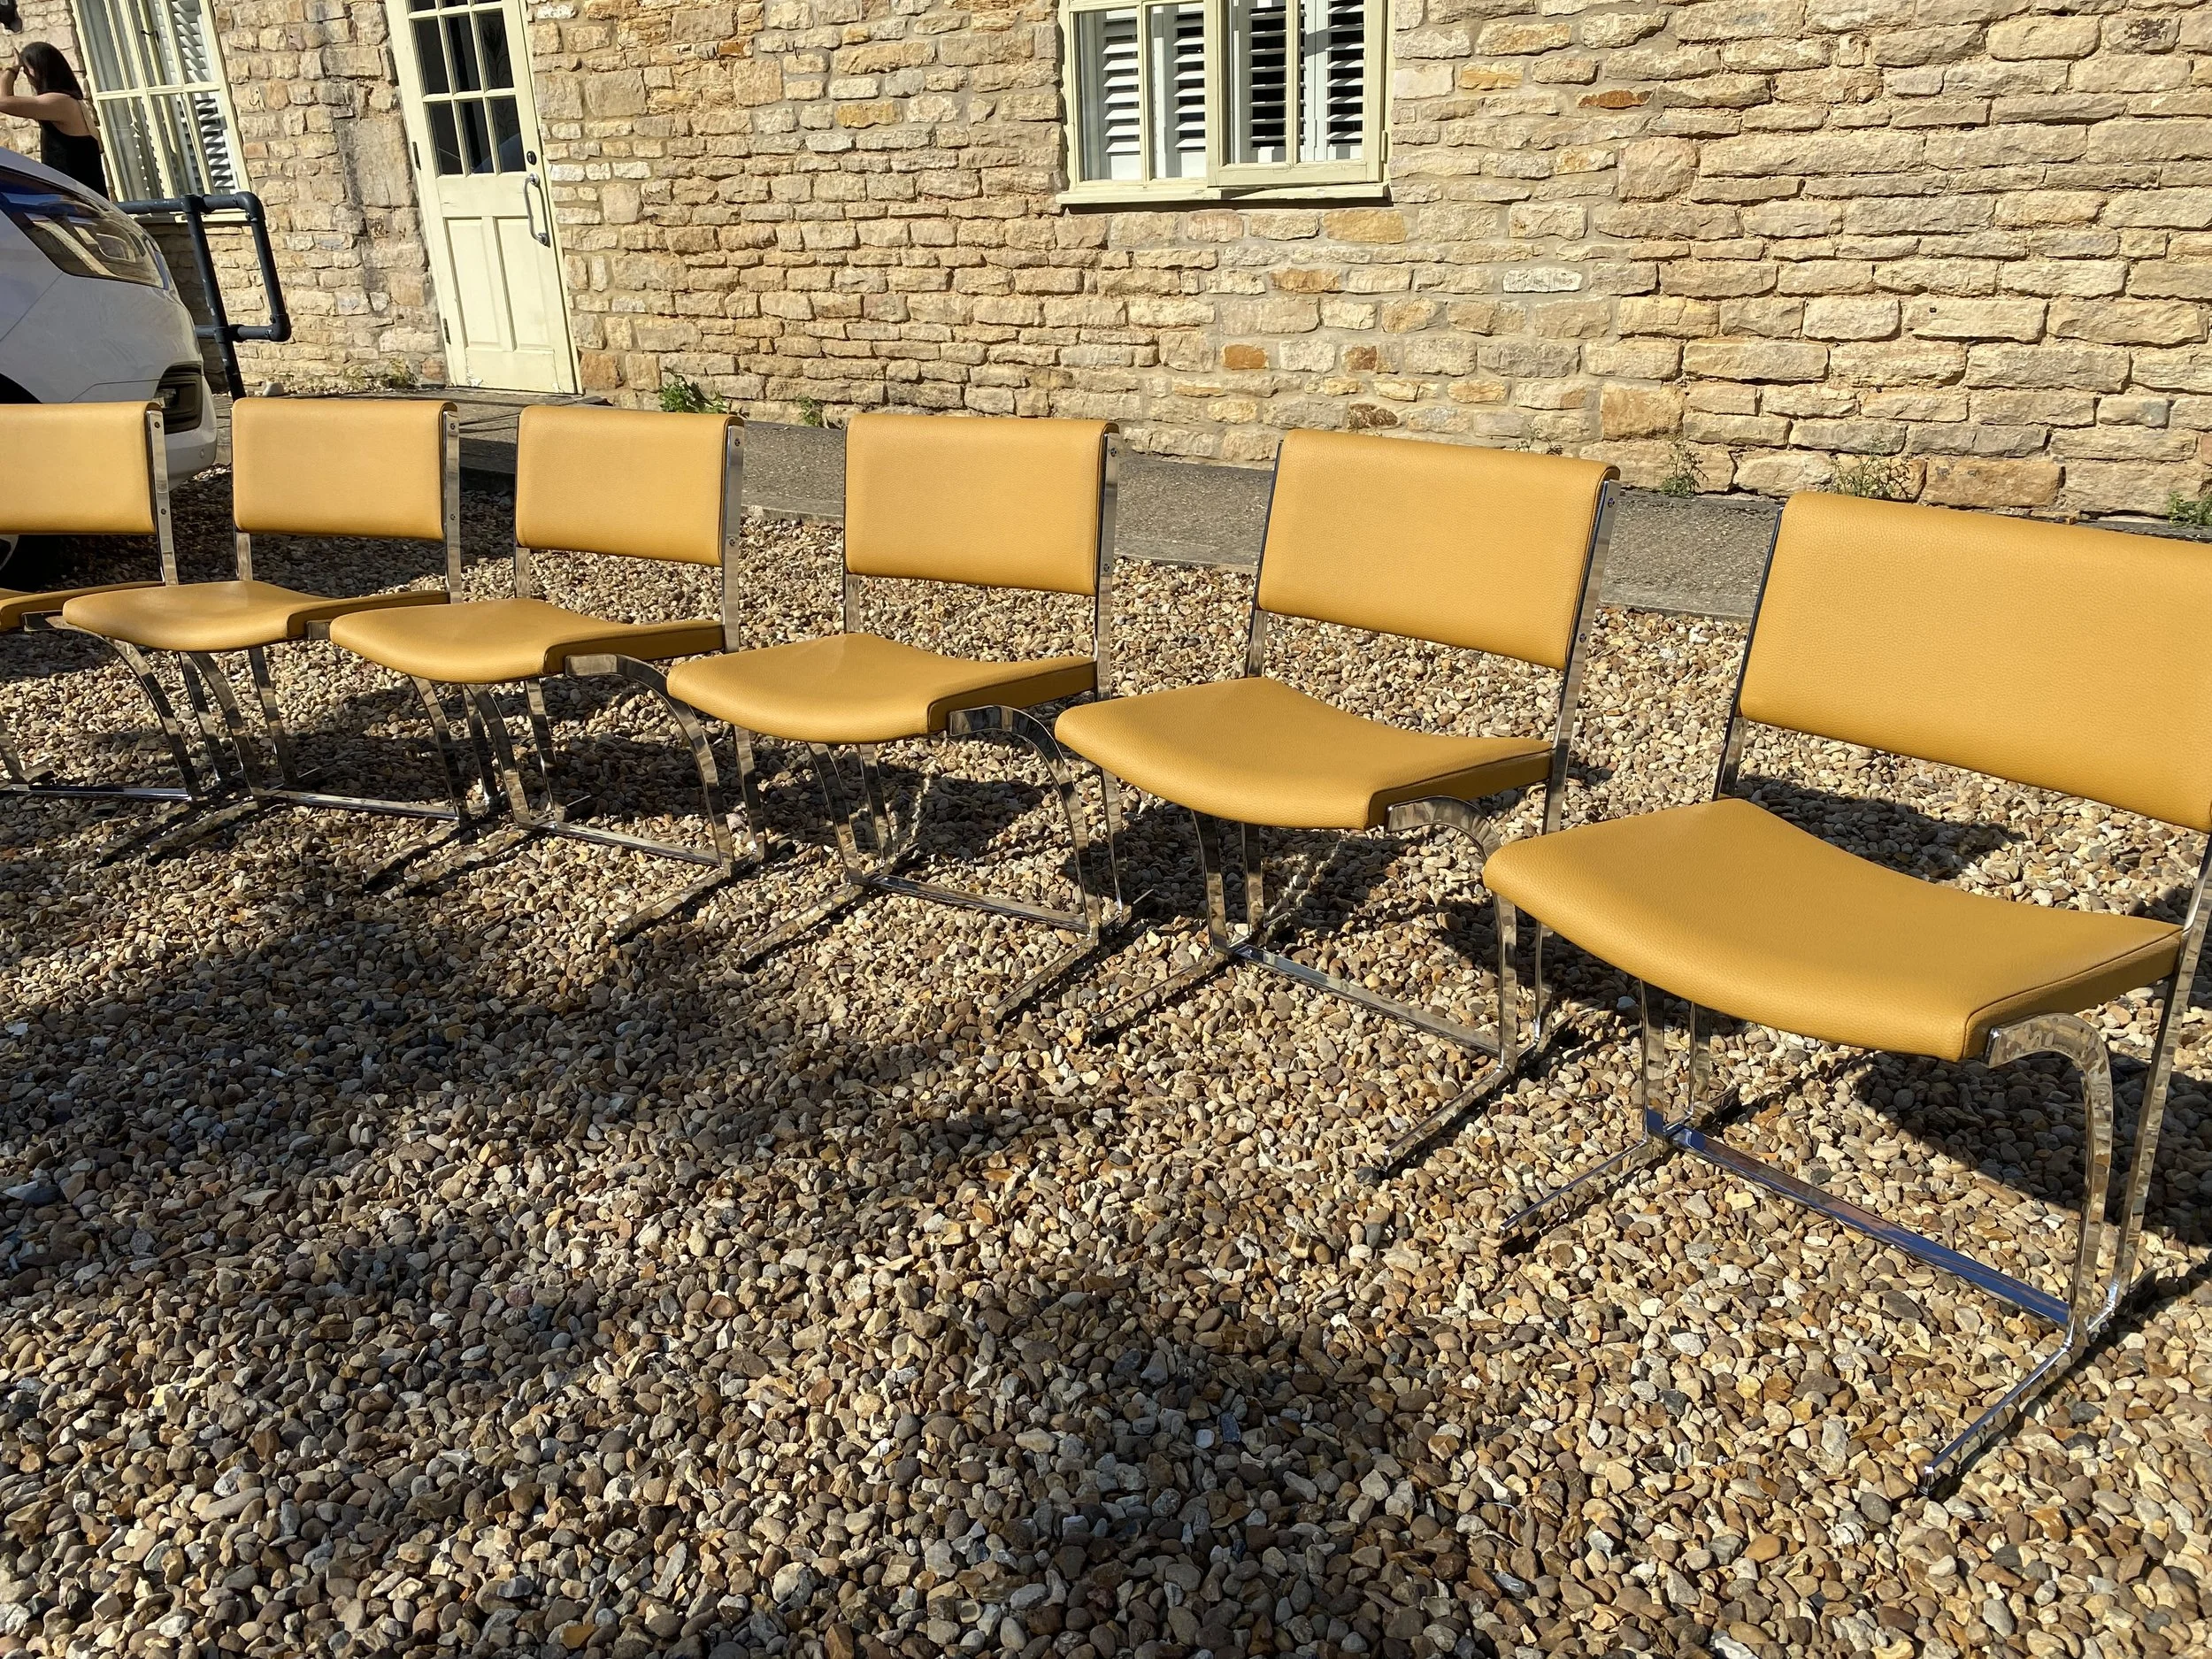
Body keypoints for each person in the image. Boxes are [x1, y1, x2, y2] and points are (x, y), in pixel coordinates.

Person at [0, 42, 108, 197]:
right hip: (84, 195)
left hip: (80, 200)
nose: (28, 76)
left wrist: (13, 69)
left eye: (27, 70)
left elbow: (3, 102)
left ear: (39, 70)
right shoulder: (70, 101)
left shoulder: (59, 102)